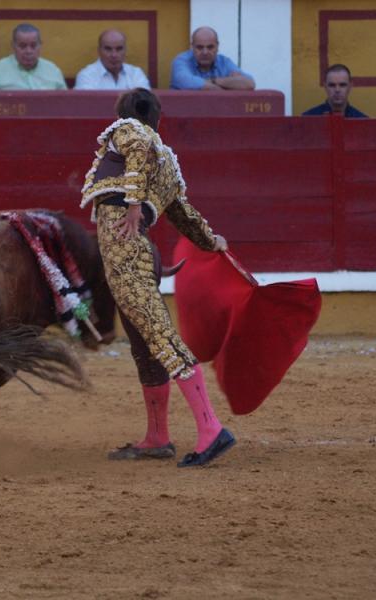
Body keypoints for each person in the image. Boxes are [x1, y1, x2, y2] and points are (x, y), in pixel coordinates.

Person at [80, 88, 235, 468]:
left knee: (159, 339)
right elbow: (181, 212)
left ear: (127, 113)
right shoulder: (165, 160)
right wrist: (211, 241)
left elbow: (136, 151)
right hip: (136, 253)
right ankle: (157, 437)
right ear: (158, 116)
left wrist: (133, 204)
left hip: (127, 252)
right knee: (146, 345)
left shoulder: (129, 131)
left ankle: (211, 429)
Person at [0, 23, 67, 90]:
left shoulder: (53, 71)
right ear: (13, 46)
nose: (28, 51)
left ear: (40, 45)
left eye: (33, 46)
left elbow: (66, 104)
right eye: (22, 46)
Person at [170, 26, 254, 91]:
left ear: (217, 46)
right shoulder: (181, 61)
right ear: (192, 47)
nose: (205, 52)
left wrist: (214, 81)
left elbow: (249, 83)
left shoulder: (225, 62)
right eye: (199, 47)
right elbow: (185, 82)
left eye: (210, 47)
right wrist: (228, 86)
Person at [74, 29, 150, 90]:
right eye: (108, 49)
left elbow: (144, 105)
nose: (114, 55)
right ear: (99, 51)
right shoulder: (86, 75)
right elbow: (86, 106)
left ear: (125, 50)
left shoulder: (136, 74)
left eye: (119, 49)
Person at [303, 64, 367, 117]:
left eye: (342, 85)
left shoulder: (363, 121)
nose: (337, 90)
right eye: (332, 85)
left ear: (350, 86)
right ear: (325, 87)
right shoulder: (308, 118)